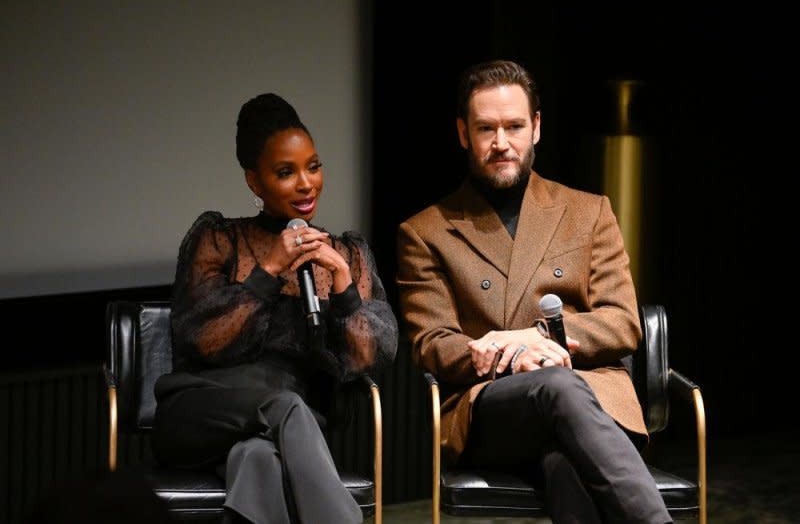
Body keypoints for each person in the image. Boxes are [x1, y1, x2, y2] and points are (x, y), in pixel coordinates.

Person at [396, 60, 671, 523]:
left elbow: (623, 322)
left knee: (564, 463)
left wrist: (535, 335)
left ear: (536, 127)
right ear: (464, 133)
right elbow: (433, 343)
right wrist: (511, 356)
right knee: (555, 385)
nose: (501, 143)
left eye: (514, 126)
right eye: (486, 128)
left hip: (593, 400)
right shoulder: (426, 231)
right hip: (490, 407)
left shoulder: (588, 211)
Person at [152, 93, 398, 524]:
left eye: (314, 166)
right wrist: (269, 270)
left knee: (258, 460)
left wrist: (341, 283)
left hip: (281, 431)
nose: (306, 184)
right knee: (285, 407)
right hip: (200, 412)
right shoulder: (219, 240)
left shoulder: (344, 253)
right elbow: (204, 340)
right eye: (286, 172)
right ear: (254, 181)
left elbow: (369, 359)